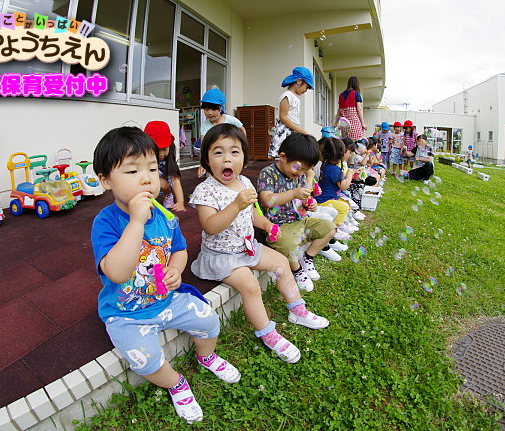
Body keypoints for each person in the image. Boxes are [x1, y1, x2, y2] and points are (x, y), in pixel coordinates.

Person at [91, 126, 240, 424]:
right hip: (126, 312)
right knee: (143, 359)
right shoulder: (106, 222)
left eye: (151, 168)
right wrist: (135, 221)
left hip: (166, 299)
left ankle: (206, 356)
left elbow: (180, 250)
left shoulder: (165, 216)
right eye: (132, 172)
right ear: (106, 180)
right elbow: (117, 272)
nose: (147, 178)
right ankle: (176, 383)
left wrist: (175, 268)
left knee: (209, 319)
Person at [190, 124, 329, 364]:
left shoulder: (245, 182)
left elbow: (254, 215)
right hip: (221, 256)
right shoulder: (205, 190)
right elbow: (210, 226)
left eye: (234, 152)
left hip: (247, 247)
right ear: (206, 159)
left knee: (282, 263)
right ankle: (269, 334)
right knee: (250, 286)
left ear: (244, 157)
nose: (227, 159)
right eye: (218, 152)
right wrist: (235, 205)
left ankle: (297, 310)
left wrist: (267, 226)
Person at [258, 132, 340, 285]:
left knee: (330, 228)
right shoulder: (268, 173)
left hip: (301, 221)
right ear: (283, 157)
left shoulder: (299, 175)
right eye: (298, 168)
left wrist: (310, 203)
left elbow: (303, 199)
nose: (301, 173)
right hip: (279, 226)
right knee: (288, 245)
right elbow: (268, 200)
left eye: (305, 170)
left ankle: (308, 257)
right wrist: (293, 193)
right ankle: (296, 270)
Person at [197, 89, 247, 178]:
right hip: (216, 154)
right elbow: (204, 144)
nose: (210, 113)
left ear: (220, 108)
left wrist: (242, 144)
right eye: (206, 109)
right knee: (213, 175)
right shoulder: (205, 125)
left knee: (232, 171)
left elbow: (242, 129)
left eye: (213, 109)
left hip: (229, 152)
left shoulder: (230, 120)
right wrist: (203, 162)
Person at [268, 66, 314, 158]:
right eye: (307, 87)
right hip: (284, 131)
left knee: (292, 157)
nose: (306, 90)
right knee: (282, 157)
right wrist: (301, 131)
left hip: (292, 130)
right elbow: (283, 117)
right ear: (299, 81)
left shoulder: (295, 97)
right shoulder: (287, 96)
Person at [144, 121, 186, 212]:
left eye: (164, 149)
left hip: (164, 186)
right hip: (147, 185)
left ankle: (168, 196)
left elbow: (176, 181)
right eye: (157, 150)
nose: (161, 154)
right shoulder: (142, 159)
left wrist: (180, 202)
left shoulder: (168, 161)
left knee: (161, 181)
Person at [334, 76, 366, 141]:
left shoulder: (341, 95)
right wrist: (363, 124)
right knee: (356, 143)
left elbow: (338, 111)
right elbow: (359, 110)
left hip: (344, 124)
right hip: (354, 123)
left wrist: (336, 123)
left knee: (345, 142)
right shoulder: (356, 94)